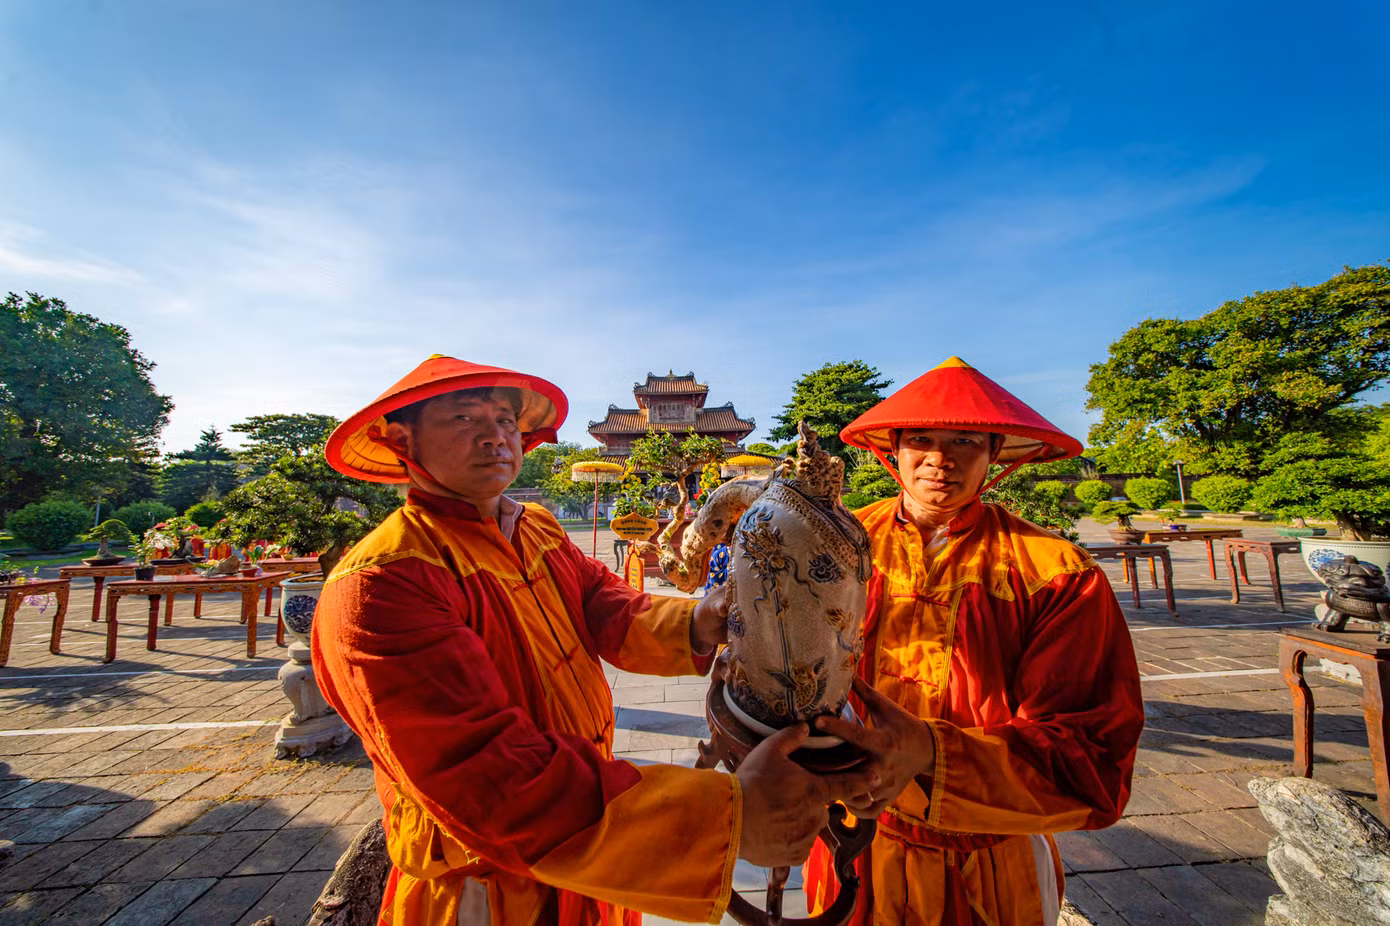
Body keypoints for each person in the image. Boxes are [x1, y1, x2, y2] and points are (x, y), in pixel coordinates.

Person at [312, 355, 877, 926]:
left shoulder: (536, 527)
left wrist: (705, 618)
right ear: (402, 440)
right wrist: (730, 818)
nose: (495, 437)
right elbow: (488, 779)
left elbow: (606, 608)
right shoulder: (384, 580)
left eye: (506, 421)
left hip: (599, 844)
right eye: (463, 419)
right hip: (487, 875)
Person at [806, 356, 1145, 925]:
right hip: (850, 840)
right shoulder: (839, 543)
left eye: (965, 439)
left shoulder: (1054, 570)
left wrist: (932, 753)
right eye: (922, 439)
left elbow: (1093, 755)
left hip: (990, 858)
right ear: (895, 451)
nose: (940, 459)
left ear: (994, 455)